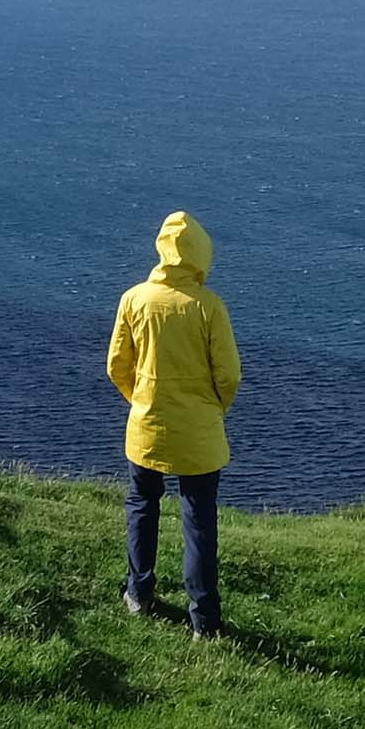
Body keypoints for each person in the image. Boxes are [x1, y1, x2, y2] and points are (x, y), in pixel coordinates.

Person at [106, 209, 242, 638]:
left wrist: (141, 397)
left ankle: (138, 593)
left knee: (142, 504)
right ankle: (204, 619)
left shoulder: (135, 299)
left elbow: (116, 366)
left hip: (147, 423)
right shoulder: (209, 307)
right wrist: (213, 408)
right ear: (200, 253)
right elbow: (229, 374)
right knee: (199, 518)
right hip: (199, 430)